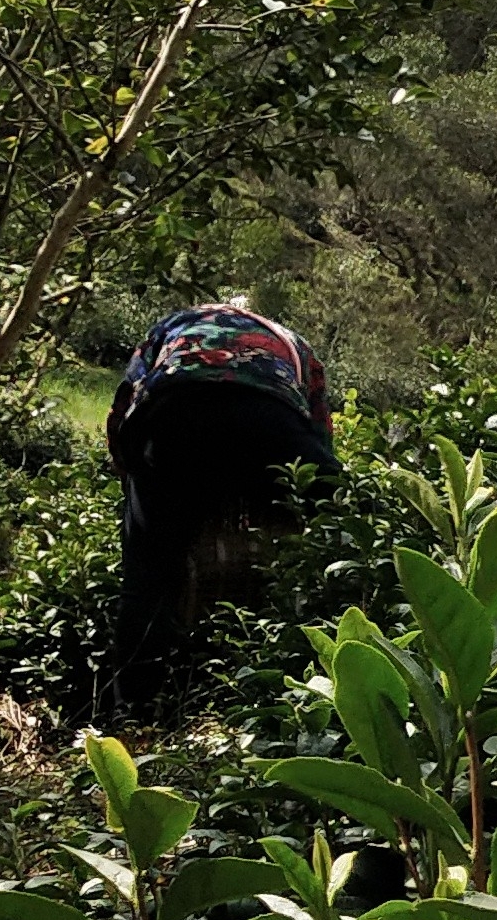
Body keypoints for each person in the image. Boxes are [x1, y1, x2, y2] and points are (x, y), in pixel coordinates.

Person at [104, 298, 335, 717]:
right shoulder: (289, 341)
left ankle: (135, 711)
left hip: (174, 411)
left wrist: (136, 485)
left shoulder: (174, 326)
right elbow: (319, 428)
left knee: (148, 575)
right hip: (269, 418)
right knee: (329, 535)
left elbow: (124, 405)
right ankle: (304, 675)